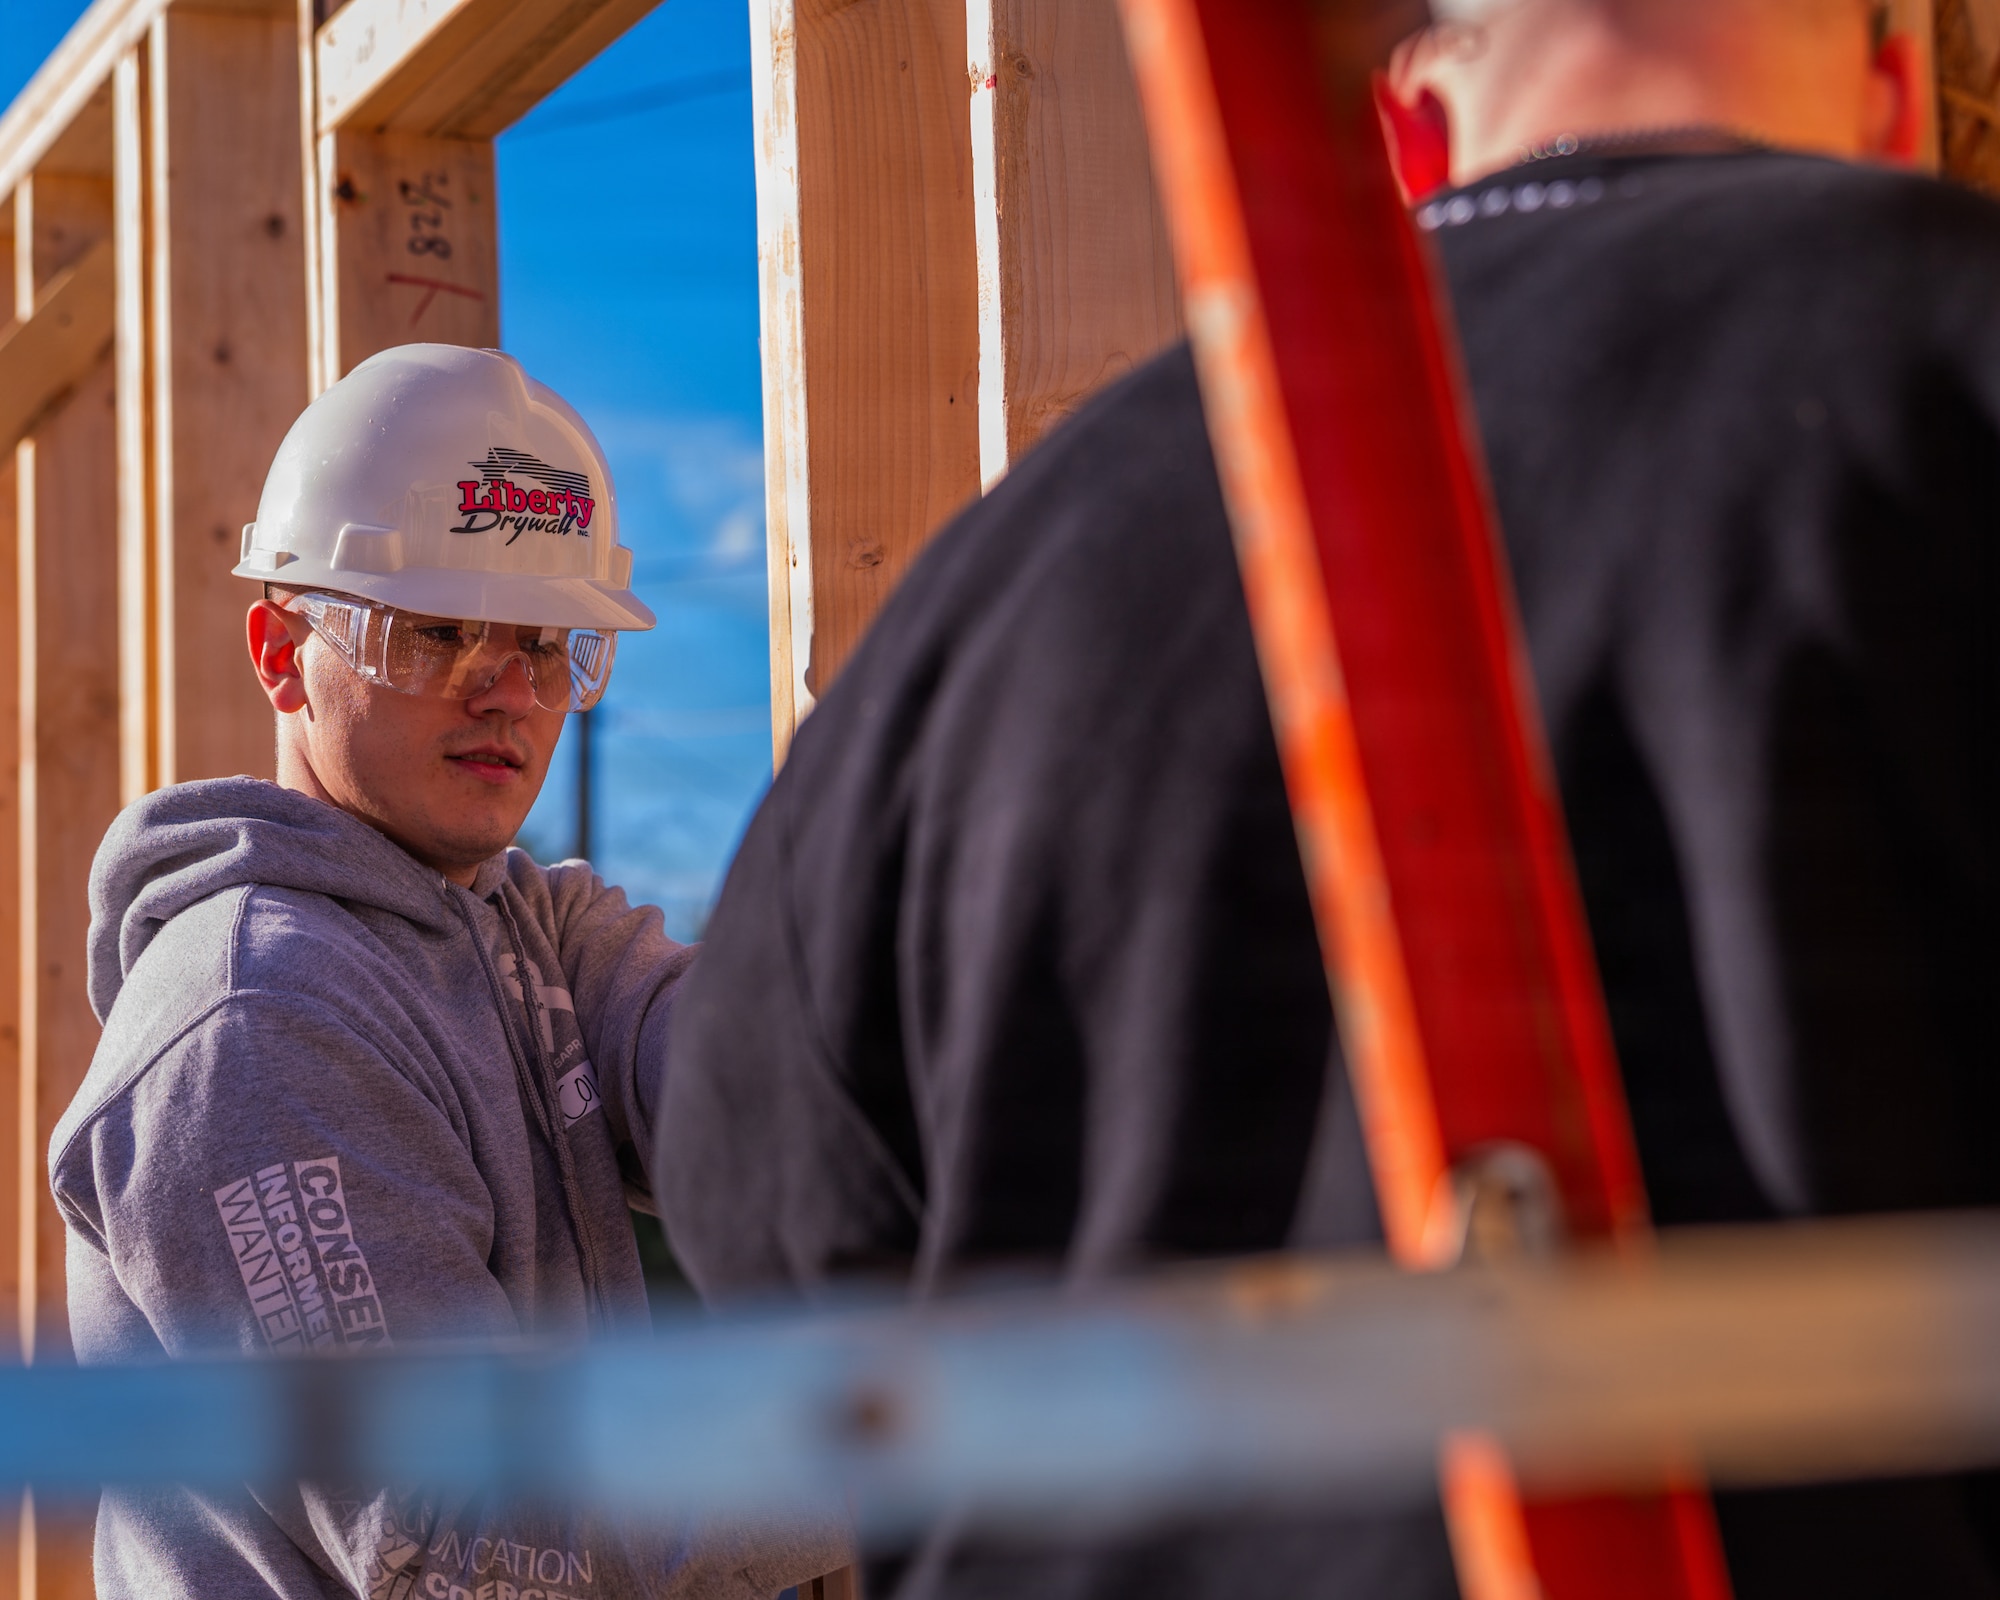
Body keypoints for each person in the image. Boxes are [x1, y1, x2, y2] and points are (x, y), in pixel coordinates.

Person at [655, 1, 1999, 1596]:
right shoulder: (1952, 365)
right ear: (1897, 95)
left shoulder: (998, 590)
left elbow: (761, 1215)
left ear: (1402, 137)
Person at [51, 344, 846, 1599]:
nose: (508, 695)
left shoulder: (523, 930)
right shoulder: (255, 1019)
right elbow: (478, 1545)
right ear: (278, 651)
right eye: (434, 635)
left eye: (546, 646)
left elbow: (746, 1076)